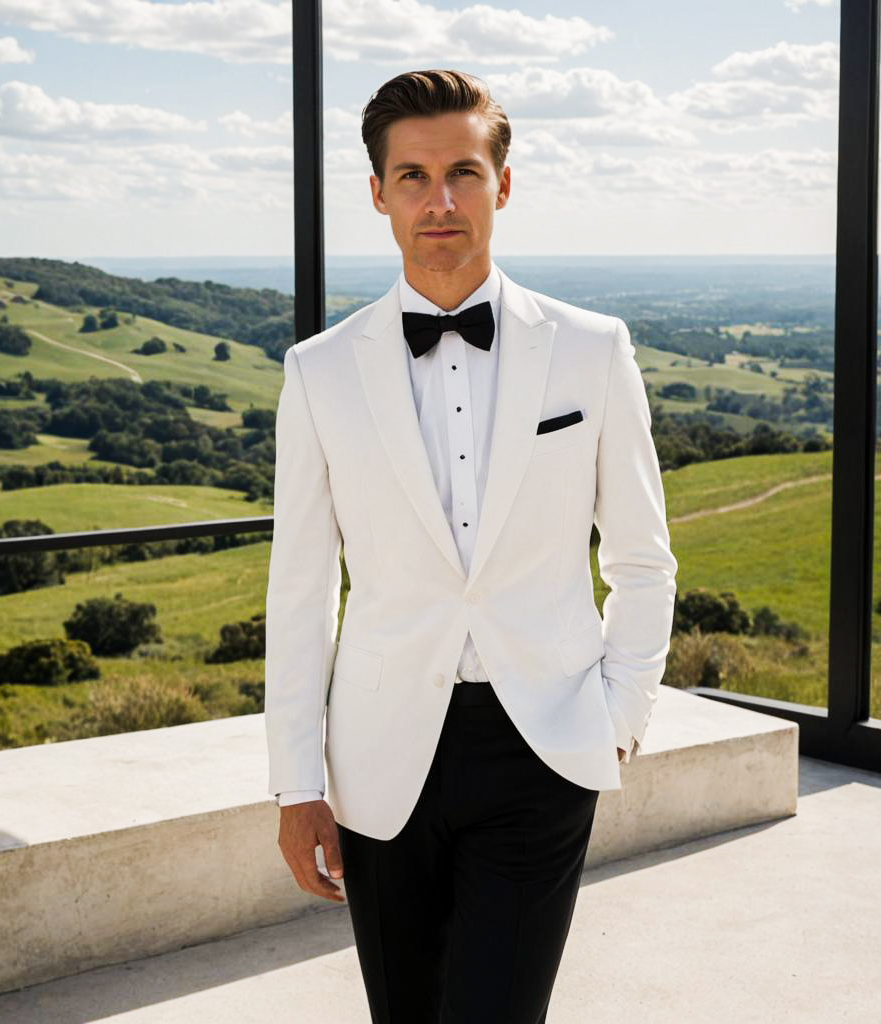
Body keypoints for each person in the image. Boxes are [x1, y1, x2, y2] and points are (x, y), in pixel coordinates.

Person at [265, 68, 678, 1024]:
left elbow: (643, 559)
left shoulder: (591, 348)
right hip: (378, 753)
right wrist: (296, 783)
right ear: (377, 193)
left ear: (502, 182)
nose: (438, 200)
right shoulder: (319, 372)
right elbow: (298, 592)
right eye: (411, 176)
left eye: (462, 171)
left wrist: (616, 720)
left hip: (545, 743)